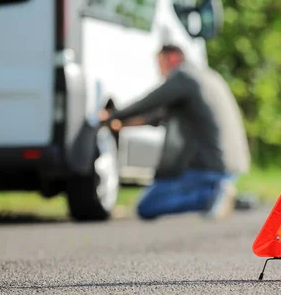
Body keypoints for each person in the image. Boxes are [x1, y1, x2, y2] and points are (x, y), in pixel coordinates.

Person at [100, 44, 239, 220]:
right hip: (229, 168)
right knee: (153, 196)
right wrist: (123, 123)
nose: (159, 71)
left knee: (147, 206)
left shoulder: (184, 77)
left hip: (207, 168)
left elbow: (149, 102)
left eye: (160, 64)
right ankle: (228, 195)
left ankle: (209, 196)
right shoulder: (208, 77)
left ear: (172, 58)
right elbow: (157, 117)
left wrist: (112, 115)